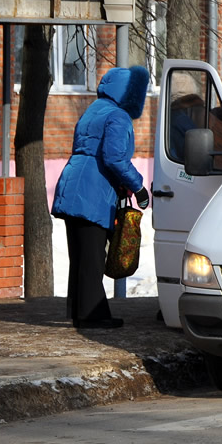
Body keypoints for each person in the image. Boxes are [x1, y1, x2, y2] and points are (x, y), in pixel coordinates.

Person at [51, 65, 151, 329]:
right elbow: (115, 158)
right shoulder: (118, 116)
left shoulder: (94, 109)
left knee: (81, 255)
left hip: (73, 185)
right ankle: (92, 315)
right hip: (92, 190)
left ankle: (80, 310)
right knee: (93, 257)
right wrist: (138, 187)